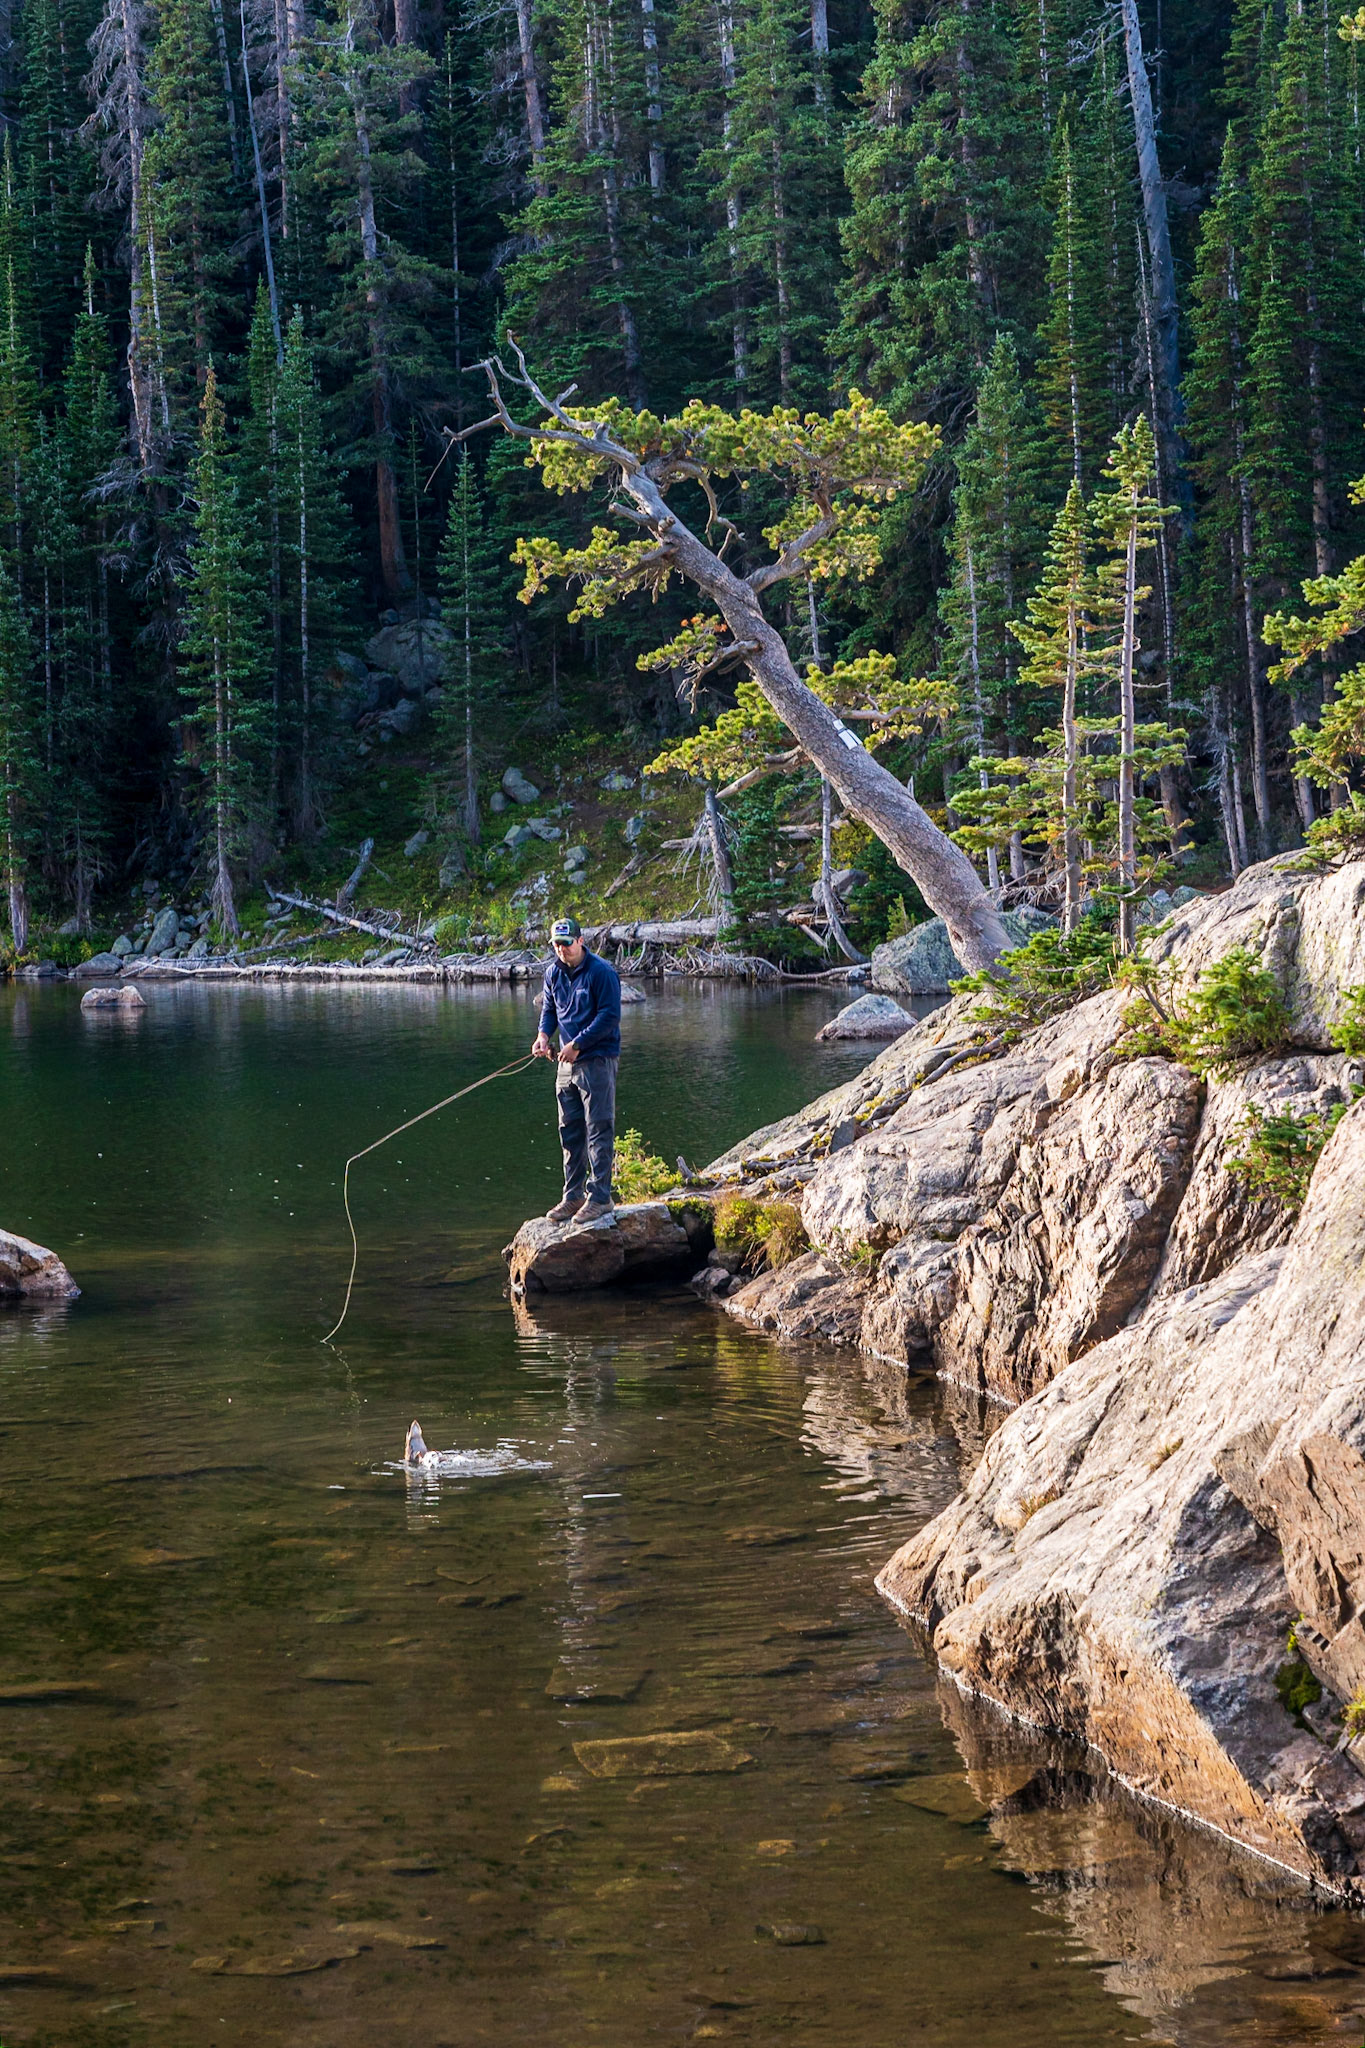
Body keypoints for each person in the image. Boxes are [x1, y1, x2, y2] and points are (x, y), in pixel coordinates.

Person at [532, 916, 622, 1223]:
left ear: (581, 941)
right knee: (569, 1131)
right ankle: (573, 1197)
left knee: (598, 1128)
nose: (561, 950)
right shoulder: (552, 974)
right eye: (556, 944)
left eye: (567, 944)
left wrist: (578, 1044)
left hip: (597, 1060)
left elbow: (610, 1016)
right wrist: (544, 1036)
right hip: (566, 1063)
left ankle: (600, 1198)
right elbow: (550, 1010)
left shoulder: (602, 972)